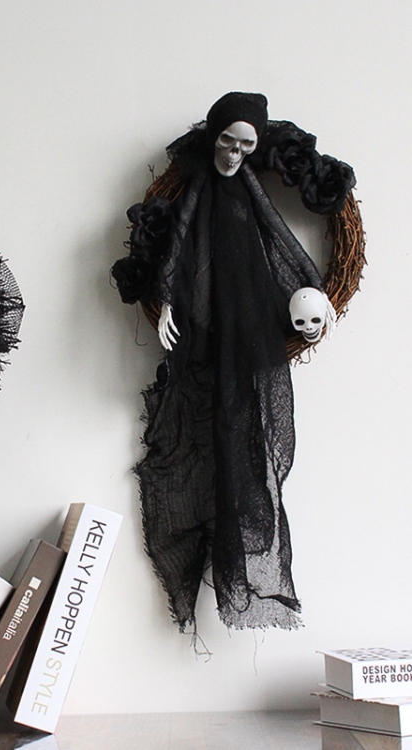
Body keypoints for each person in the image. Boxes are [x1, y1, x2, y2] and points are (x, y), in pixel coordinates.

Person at [136, 92, 333, 632]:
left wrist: (316, 289)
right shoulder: (199, 181)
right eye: (227, 141)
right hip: (207, 323)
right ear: (214, 137)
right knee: (215, 427)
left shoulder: (247, 182)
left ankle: (247, 548)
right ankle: (219, 549)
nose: (233, 154)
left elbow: (279, 232)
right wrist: (167, 301)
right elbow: (178, 240)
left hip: (250, 318)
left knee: (248, 427)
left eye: (245, 146)